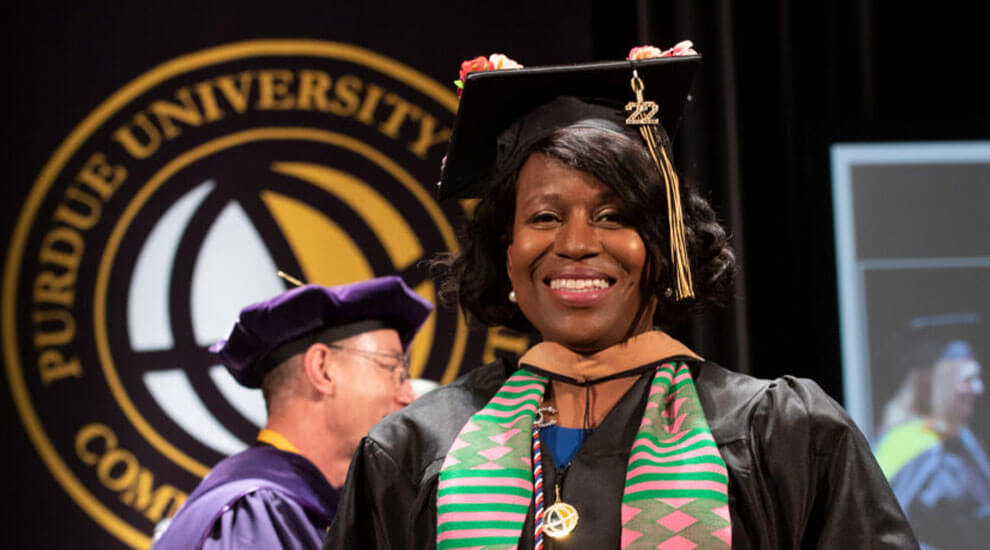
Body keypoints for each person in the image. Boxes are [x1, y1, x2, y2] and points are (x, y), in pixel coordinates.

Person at [325, 44, 917, 549]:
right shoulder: (414, 448)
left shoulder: (783, 434)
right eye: (545, 216)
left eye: (614, 216)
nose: (577, 243)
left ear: (665, 246)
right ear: (507, 251)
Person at [153, 276, 432, 549]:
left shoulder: (305, 510)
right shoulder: (259, 514)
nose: (409, 396)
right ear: (322, 369)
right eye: (393, 369)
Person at [875, 318, 990, 549]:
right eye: (968, 379)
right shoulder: (907, 445)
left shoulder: (964, 442)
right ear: (940, 382)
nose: (979, 389)